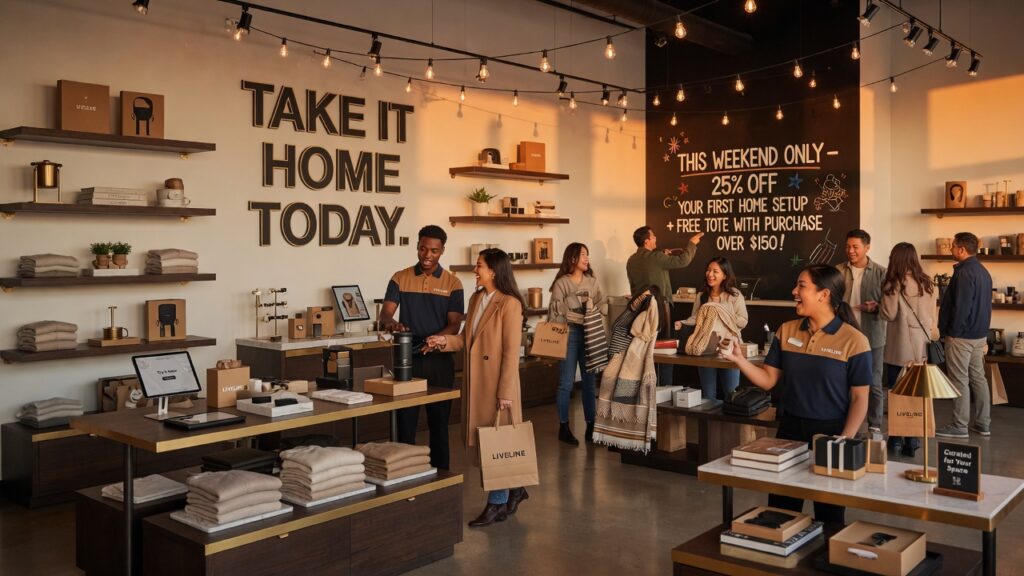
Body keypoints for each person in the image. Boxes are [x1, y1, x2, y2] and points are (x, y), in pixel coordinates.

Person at [721, 264, 871, 524]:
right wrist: (738, 359)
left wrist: (842, 441)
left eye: (802, 286)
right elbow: (768, 381)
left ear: (823, 295)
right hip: (788, 432)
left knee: (830, 516)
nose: (794, 291)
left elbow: (860, 399)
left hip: (831, 434)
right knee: (780, 512)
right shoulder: (786, 330)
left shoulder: (855, 341)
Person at [426, 248, 527, 528]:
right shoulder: (476, 298)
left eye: (479, 265)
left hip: (497, 384)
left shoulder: (510, 304)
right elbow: (465, 340)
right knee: (488, 442)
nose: (475, 270)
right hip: (476, 382)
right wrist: (442, 342)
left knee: (497, 443)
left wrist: (505, 390)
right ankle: (515, 489)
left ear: (493, 270)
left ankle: (497, 504)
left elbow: (510, 351)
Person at [380, 225, 464, 470]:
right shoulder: (400, 277)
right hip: (407, 358)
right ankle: (402, 474)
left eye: (434, 251)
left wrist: (434, 340)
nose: (428, 255)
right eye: (423, 249)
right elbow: (386, 313)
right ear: (417, 247)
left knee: (439, 424)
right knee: (404, 423)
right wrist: (393, 323)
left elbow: (455, 325)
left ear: (442, 251)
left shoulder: (453, 283)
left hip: (440, 360)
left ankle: (441, 477)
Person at [626, 226, 704, 386]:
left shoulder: (632, 260)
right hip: (660, 308)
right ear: (646, 240)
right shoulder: (655, 258)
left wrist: (661, 255)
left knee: (644, 349)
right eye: (653, 236)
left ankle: (646, 388)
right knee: (664, 348)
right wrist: (692, 243)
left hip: (639, 310)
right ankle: (665, 389)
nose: (656, 239)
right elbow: (683, 260)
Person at [548, 242, 608, 446]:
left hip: (590, 333)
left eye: (587, 254)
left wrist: (595, 306)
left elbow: (603, 304)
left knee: (590, 383)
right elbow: (555, 311)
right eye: (583, 254)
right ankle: (563, 427)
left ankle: (591, 426)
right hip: (569, 334)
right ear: (572, 258)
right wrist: (576, 303)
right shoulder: (561, 283)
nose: (587, 258)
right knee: (566, 383)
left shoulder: (592, 282)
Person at [879, 243, 935, 457]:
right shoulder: (927, 283)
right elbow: (933, 315)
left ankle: (895, 439)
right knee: (916, 394)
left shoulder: (894, 284)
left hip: (900, 347)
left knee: (896, 393)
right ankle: (912, 441)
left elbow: (889, 314)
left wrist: (878, 304)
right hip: (921, 347)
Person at [937, 232, 993, 439]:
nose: (951, 249)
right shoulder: (983, 271)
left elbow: (961, 308)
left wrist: (952, 333)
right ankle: (983, 424)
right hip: (979, 335)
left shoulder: (963, 273)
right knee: (978, 378)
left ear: (961, 249)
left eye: (952, 246)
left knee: (959, 380)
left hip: (961, 337)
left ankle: (960, 425)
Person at [835, 229, 886, 437]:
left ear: (867, 247)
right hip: (843, 335)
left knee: (874, 381)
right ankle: (846, 422)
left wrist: (876, 307)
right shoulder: (838, 270)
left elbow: (891, 306)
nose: (851, 251)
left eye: (855, 247)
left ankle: (874, 425)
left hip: (872, 335)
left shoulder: (881, 273)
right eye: (848, 246)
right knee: (842, 380)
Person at [677, 257, 748, 400]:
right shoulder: (702, 296)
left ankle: (730, 422)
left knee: (732, 394)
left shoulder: (734, 295)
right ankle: (710, 423)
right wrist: (682, 323)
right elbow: (695, 320)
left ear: (725, 275)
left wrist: (721, 313)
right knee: (708, 395)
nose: (710, 274)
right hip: (705, 348)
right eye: (708, 270)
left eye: (715, 271)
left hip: (729, 349)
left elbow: (743, 321)